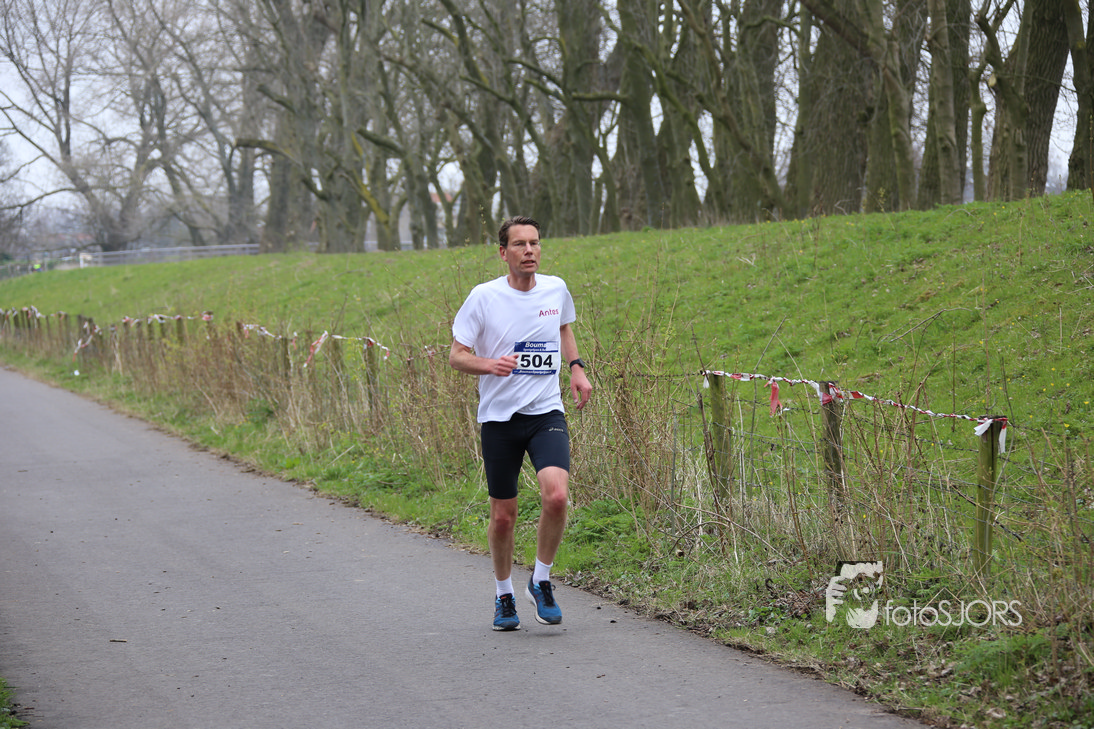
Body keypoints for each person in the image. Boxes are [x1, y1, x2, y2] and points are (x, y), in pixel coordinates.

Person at [449, 216, 593, 631]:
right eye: (519, 244)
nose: (529, 250)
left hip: (546, 412)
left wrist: (576, 367)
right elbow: (457, 355)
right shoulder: (484, 297)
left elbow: (563, 327)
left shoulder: (555, 288)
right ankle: (504, 594)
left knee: (557, 497)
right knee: (503, 516)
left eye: (535, 242)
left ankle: (541, 580)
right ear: (503, 253)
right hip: (499, 419)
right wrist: (489, 365)